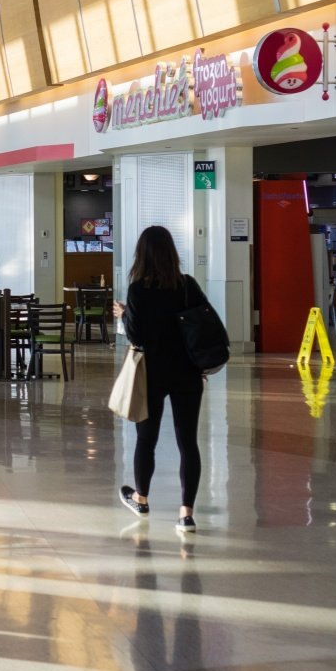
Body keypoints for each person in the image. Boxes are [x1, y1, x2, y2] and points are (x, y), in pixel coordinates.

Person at [112, 225, 207, 534]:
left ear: (142, 254)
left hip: (151, 372)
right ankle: (186, 515)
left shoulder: (138, 289)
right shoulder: (187, 285)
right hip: (187, 372)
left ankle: (141, 498)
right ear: (171, 253)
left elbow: (137, 336)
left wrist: (126, 314)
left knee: (146, 440)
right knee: (188, 442)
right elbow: (202, 324)